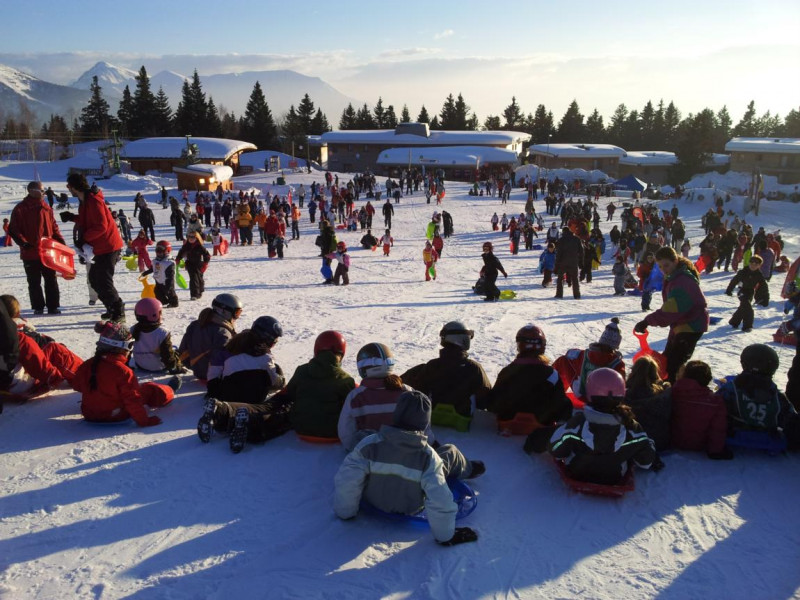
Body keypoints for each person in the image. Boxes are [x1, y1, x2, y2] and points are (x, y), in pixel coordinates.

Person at [334, 390, 481, 546]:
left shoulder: (370, 445)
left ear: (396, 414)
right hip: (410, 507)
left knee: (365, 435)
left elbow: (348, 480)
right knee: (450, 451)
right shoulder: (428, 457)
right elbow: (440, 500)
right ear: (425, 423)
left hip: (374, 501)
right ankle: (469, 468)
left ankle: (467, 466)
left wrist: (346, 513)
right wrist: (445, 536)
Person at [549, 368, 659, 484]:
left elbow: (554, 450)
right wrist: (648, 442)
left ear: (590, 392)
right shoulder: (631, 427)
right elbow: (646, 462)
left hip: (577, 474)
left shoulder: (578, 423)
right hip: (614, 477)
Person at [198, 316, 289, 453]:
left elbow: (213, 372)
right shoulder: (266, 358)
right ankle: (243, 420)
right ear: (267, 339)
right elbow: (274, 382)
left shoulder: (229, 349)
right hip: (254, 398)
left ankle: (219, 409)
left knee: (230, 390)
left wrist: (213, 389)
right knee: (269, 379)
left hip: (226, 393)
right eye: (274, 341)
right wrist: (281, 379)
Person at [72, 321, 180, 427]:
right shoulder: (122, 371)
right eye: (130, 345)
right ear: (122, 347)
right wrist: (144, 421)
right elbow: (133, 401)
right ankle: (169, 390)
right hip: (117, 415)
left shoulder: (88, 365)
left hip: (89, 414)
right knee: (148, 389)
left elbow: (77, 385)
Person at [486, 325, 572, 446]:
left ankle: (507, 425)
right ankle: (558, 428)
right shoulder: (551, 373)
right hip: (542, 422)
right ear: (542, 346)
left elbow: (492, 403)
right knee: (566, 402)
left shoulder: (507, 371)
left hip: (508, 420)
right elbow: (559, 401)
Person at [635, 246, 709, 383]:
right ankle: (670, 386)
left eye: (666, 265)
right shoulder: (675, 277)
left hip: (691, 325)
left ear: (675, 261)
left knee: (673, 365)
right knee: (667, 359)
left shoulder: (682, 281)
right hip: (683, 323)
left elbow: (670, 310)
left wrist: (647, 321)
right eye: (660, 267)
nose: (664, 269)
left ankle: (675, 392)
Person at [338, 342, 429, 452]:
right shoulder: (407, 392)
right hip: (405, 454)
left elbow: (346, 431)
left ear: (362, 368)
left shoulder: (356, 396)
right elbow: (423, 426)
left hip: (369, 456)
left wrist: (354, 450)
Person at [62, 173, 125, 322]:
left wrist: (84, 239)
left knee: (103, 280)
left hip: (108, 245)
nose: (68, 190)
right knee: (94, 279)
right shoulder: (84, 200)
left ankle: (119, 311)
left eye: (68, 187)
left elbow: (100, 226)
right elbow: (88, 221)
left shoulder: (93, 201)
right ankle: (111, 307)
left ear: (73, 187)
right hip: (99, 246)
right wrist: (72, 217)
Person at [402, 321, 491, 420]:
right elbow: (485, 398)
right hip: (462, 417)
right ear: (462, 339)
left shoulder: (432, 365)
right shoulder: (474, 368)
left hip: (433, 414)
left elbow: (419, 389)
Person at [718, 344, 799, 450]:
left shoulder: (732, 388)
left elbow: (715, 408)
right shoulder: (776, 395)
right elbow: (789, 418)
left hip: (735, 432)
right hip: (767, 436)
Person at [0, 294, 83, 397]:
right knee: (54, 349)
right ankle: (87, 377)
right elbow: (35, 359)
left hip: (4, 381)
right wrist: (53, 377)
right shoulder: (17, 337)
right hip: (15, 385)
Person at [8, 181, 66, 315]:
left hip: (47, 251)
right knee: (34, 282)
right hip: (30, 252)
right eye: (41, 190)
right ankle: (38, 306)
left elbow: (54, 227)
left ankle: (53, 306)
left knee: (51, 279)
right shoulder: (21, 208)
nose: (44, 192)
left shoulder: (46, 207)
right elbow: (13, 229)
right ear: (31, 191)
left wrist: (60, 242)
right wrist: (23, 243)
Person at [287, 330, 356, 438]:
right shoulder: (346, 380)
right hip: (333, 433)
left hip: (301, 429)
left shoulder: (302, 371)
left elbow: (289, 394)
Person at [552, 317, 625, 402]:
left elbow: (569, 354)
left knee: (563, 360)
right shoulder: (617, 363)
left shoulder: (584, 355)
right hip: (605, 401)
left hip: (582, 395)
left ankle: (551, 392)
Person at [670, 360, 730, 459]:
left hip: (672, 441)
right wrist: (715, 451)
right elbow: (717, 429)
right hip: (699, 444)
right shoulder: (715, 402)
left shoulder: (671, 393)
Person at [178, 293, 242, 381]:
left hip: (197, 371)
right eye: (237, 313)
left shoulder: (195, 324)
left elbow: (183, 352)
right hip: (213, 377)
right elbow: (223, 361)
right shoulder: (223, 333)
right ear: (223, 311)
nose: (237, 317)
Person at [625, 356, 672, 451]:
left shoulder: (625, 397)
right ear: (655, 374)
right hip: (661, 442)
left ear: (633, 372)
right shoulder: (664, 396)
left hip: (636, 443)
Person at [130, 298, 184, 373]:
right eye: (160, 312)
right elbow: (167, 357)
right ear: (154, 315)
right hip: (158, 367)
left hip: (141, 365)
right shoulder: (162, 333)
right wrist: (176, 368)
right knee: (178, 352)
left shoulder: (132, 329)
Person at [725, 254, 769, 332]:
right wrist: (729, 290)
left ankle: (734, 322)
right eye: (752, 263)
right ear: (749, 263)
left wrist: (765, 299)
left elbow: (764, 287)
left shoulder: (759, 275)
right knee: (748, 308)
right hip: (742, 291)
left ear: (759, 266)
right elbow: (734, 280)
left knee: (743, 307)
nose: (753, 265)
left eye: (756, 264)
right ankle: (747, 326)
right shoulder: (743, 272)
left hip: (750, 292)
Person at [175, 231, 211, 301]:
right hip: (190, 264)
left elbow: (207, 255)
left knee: (199, 278)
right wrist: (178, 259)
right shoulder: (186, 246)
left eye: (193, 237)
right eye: (189, 237)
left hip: (198, 264)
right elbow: (181, 252)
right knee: (193, 278)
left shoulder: (199, 246)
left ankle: (200, 291)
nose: (191, 238)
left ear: (197, 238)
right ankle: (194, 294)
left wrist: (205, 263)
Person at [554, 226, 583, 299]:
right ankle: (577, 295)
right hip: (574, 262)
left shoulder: (561, 240)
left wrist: (557, 264)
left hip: (563, 262)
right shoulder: (577, 239)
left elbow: (559, 253)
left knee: (560, 278)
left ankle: (559, 294)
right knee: (575, 279)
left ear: (563, 232)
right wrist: (580, 262)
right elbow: (581, 251)